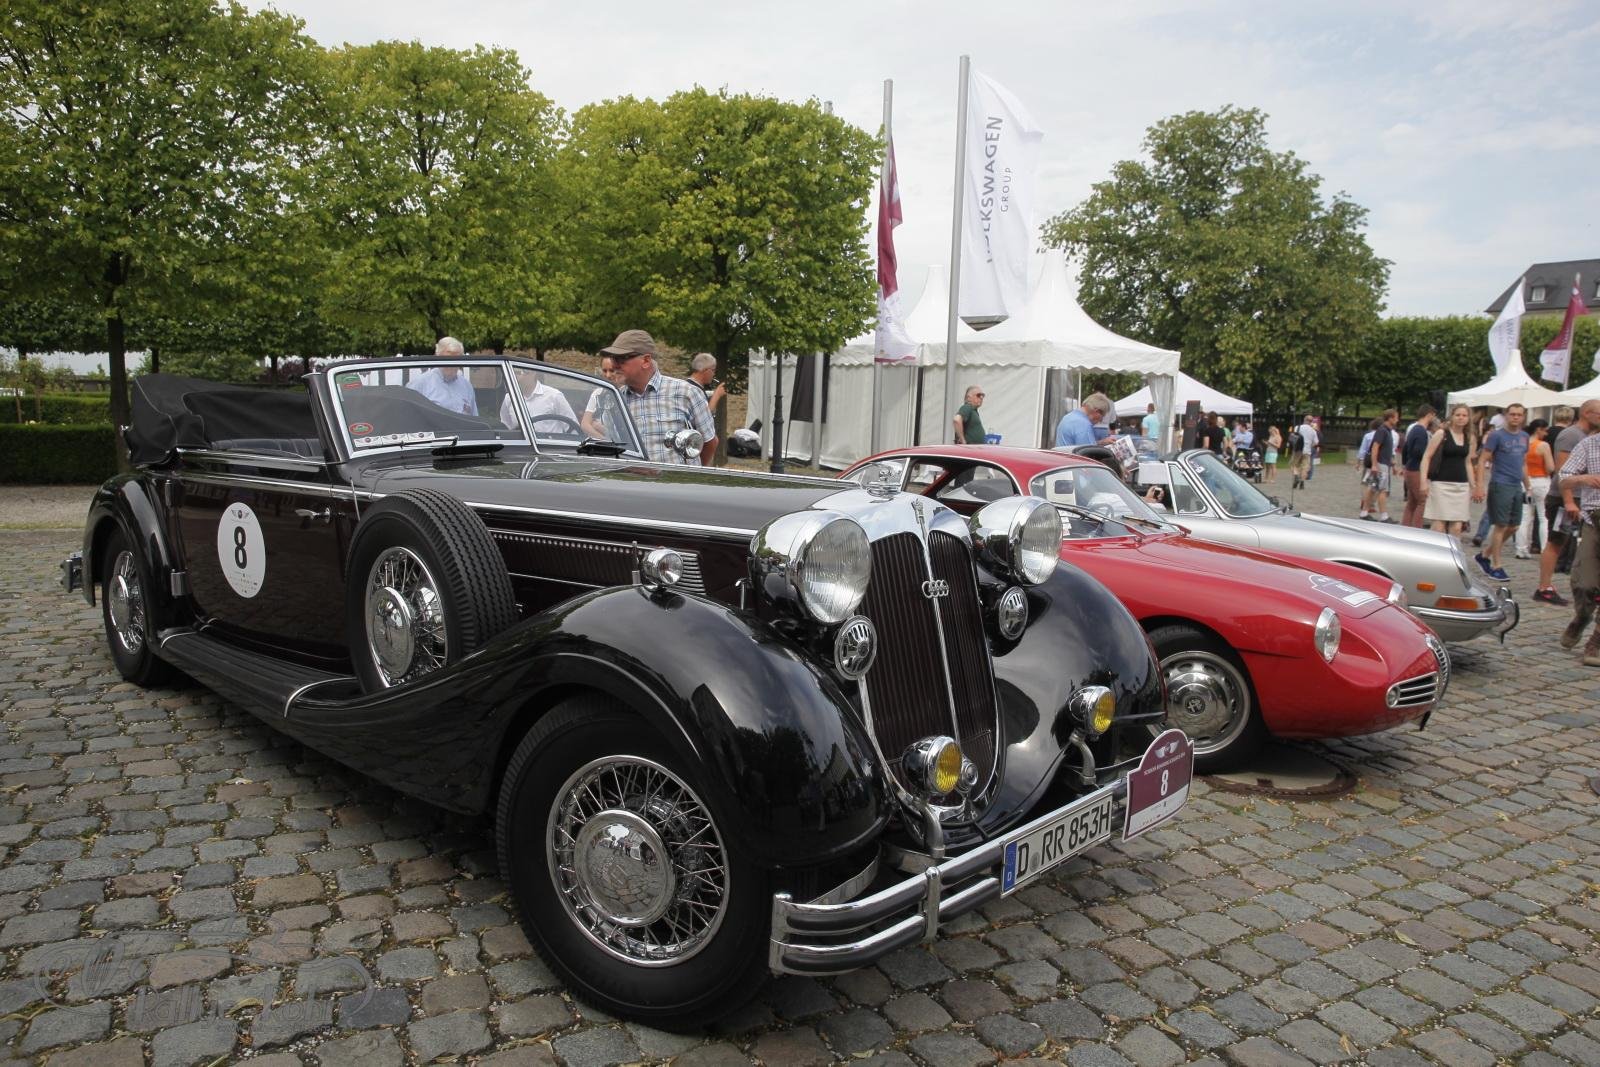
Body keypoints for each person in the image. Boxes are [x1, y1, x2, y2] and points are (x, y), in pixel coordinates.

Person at [602, 329, 716, 466]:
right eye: (613, 358)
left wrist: (691, 474)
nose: (614, 365)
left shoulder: (686, 392)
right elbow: (612, 449)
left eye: (620, 358)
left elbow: (709, 442)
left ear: (646, 360)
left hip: (676, 479)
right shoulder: (615, 400)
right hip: (631, 479)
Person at [1535, 401, 1600, 605]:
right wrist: (1569, 501)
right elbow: (1562, 472)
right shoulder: (1571, 435)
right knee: (1557, 541)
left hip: (1581, 499)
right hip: (1564, 498)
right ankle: (1544, 587)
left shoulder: (1588, 435)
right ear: (1586, 413)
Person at [1557, 427, 1600, 665]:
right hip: (1594, 520)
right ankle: (1582, 617)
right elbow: (1564, 478)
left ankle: (1596, 642)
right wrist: (1584, 479)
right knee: (1585, 584)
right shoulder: (1590, 444)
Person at [1475, 402, 1529, 581]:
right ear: (1506, 415)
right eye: (1512, 414)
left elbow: (1523, 462)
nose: (1515, 417)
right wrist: (1479, 485)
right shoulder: (1496, 435)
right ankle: (1496, 565)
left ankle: (1485, 555)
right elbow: (1483, 459)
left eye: (1519, 414)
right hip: (1500, 483)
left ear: (1523, 417)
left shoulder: (1524, 436)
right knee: (1501, 525)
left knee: (1514, 526)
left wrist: (1528, 485)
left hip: (1516, 485)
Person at [1420, 403, 1479, 538]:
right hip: (1441, 484)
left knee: (1457, 528)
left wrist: (1473, 485)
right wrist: (1423, 482)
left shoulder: (1470, 437)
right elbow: (1426, 457)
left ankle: (1452, 551)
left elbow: (1468, 462)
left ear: (1468, 418)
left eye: (1464, 415)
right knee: (1439, 526)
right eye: (1458, 415)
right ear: (1452, 416)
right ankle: (1435, 550)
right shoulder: (1442, 434)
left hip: (1461, 486)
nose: (1461, 418)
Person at [407, 336, 477, 415]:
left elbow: (474, 417)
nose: (452, 364)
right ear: (438, 357)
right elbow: (408, 415)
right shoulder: (419, 384)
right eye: (448, 359)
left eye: (456, 359)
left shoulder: (466, 386)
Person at [1514, 419, 1553, 560]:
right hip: (1541, 481)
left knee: (1524, 517)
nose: (1546, 433)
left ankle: (1521, 549)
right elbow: (1550, 467)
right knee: (1543, 517)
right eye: (1545, 430)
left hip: (1525, 481)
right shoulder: (1543, 445)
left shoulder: (1522, 443)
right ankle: (1544, 549)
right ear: (1539, 429)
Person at [499, 370, 579, 436]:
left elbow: (573, 428)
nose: (514, 377)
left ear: (533, 373)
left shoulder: (554, 396)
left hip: (551, 447)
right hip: (521, 447)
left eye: (518, 373)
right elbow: (506, 425)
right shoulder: (509, 398)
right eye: (512, 373)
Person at [1400, 405, 1437, 528]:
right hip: (1416, 469)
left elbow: (1405, 449)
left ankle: (1405, 526)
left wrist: (1405, 464)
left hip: (1410, 467)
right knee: (1422, 501)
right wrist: (1429, 457)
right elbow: (1418, 451)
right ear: (1429, 415)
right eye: (1433, 416)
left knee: (1412, 502)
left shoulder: (1414, 429)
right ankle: (1417, 529)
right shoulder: (1421, 431)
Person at [1362, 409, 1400, 522]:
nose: (1397, 420)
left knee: (1372, 489)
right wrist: (1374, 464)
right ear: (1390, 418)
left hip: (1382, 463)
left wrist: (1392, 464)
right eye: (1396, 417)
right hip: (1380, 464)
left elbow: (1385, 450)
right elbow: (1375, 447)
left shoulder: (1387, 431)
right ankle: (1384, 516)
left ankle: (1364, 512)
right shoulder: (1382, 430)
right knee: (1382, 490)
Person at [581, 356, 621, 440]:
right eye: (604, 371)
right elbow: (585, 424)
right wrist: (605, 440)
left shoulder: (625, 393)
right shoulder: (598, 393)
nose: (608, 375)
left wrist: (599, 428)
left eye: (612, 370)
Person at [1290, 414, 1318, 488]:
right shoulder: (1313, 431)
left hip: (1298, 450)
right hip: (1307, 451)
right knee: (1304, 468)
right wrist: (1309, 446)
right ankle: (1302, 482)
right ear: (1311, 421)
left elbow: (1293, 437)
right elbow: (1316, 442)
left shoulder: (1298, 428)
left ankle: (1296, 476)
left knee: (1293, 465)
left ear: (1304, 419)